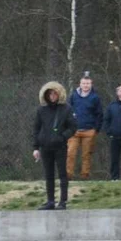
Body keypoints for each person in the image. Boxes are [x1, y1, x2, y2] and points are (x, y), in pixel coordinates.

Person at [32, 81, 77, 210]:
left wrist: (62, 137)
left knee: (63, 174)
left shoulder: (66, 109)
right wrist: (35, 147)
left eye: (54, 93)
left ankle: (63, 201)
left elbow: (73, 126)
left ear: (59, 94)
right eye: (50, 94)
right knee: (48, 175)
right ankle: (50, 201)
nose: (52, 96)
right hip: (45, 147)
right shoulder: (41, 110)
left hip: (60, 146)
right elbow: (36, 128)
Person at [66, 72, 103, 180]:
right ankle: (68, 175)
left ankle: (85, 176)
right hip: (74, 131)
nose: (86, 85)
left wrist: (96, 129)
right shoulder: (73, 96)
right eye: (84, 83)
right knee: (70, 153)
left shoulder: (95, 97)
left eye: (88, 83)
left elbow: (99, 114)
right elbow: (67, 110)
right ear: (80, 84)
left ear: (91, 85)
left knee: (86, 155)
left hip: (89, 131)